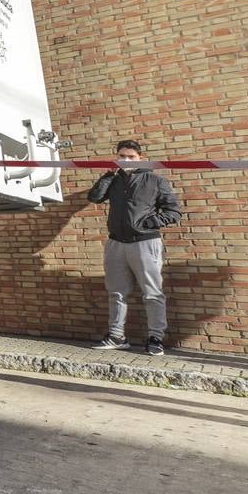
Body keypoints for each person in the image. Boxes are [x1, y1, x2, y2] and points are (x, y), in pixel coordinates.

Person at [87, 139, 181, 356]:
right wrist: (109, 174)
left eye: (130, 156)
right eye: (121, 156)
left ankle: (156, 337)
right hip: (116, 243)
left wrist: (148, 224)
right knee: (116, 292)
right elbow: (95, 197)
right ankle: (116, 336)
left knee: (152, 292)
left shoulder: (155, 180)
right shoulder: (114, 180)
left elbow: (173, 212)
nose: (126, 160)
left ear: (140, 158)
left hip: (145, 243)